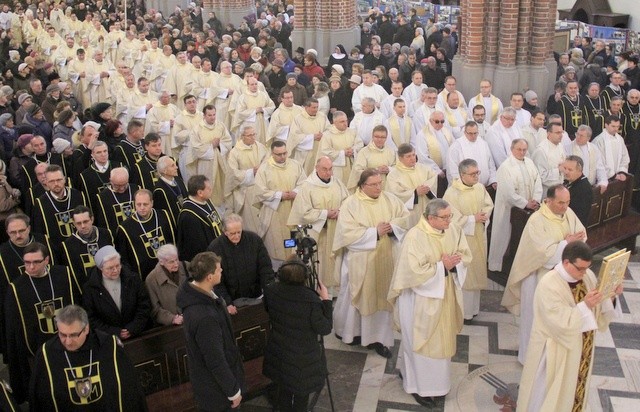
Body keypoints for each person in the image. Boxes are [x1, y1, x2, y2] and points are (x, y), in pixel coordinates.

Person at [517, 242, 622, 411]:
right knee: (548, 395)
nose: (584, 273)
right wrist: (585, 306)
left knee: (573, 389)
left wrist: (611, 296)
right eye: (580, 268)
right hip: (555, 351)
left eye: (587, 268)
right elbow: (558, 321)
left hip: (581, 349)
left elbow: (598, 308)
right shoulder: (549, 284)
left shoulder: (587, 277)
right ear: (566, 262)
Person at [388, 199, 472, 407]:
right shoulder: (415, 236)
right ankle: (418, 387)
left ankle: (438, 385)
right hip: (420, 299)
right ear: (430, 217)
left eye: (450, 216)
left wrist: (454, 264)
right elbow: (411, 271)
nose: (449, 221)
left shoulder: (453, 229)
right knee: (420, 342)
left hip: (445, 293)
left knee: (441, 340)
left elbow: (464, 253)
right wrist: (441, 267)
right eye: (444, 217)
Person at [502, 184, 586, 364]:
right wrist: (566, 243)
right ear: (548, 201)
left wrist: (574, 242)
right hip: (537, 278)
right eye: (561, 203)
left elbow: (582, 234)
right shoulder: (537, 220)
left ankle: (550, 359)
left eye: (567, 202)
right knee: (534, 321)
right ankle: (529, 358)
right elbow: (542, 254)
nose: (565, 207)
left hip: (561, 277)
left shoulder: (568, 214)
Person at [333, 169, 409, 358]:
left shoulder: (390, 199)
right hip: (361, 261)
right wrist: (373, 233)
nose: (378, 187)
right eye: (373, 185)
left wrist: (393, 227)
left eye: (379, 183)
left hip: (386, 258)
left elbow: (405, 217)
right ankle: (351, 334)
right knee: (358, 297)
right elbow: (346, 234)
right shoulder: (350, 204)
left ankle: (378, 339)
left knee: (382, 299)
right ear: (362, 186)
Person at [29, 305, 147, 411]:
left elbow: (130, 391)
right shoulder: (47, 354)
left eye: (74, 335)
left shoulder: (109, 346)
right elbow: (40, 400)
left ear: (86, 329)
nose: (68, 342)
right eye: (63, 335)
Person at [4, 242, 79, 403]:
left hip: (70, 343)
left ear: (47, 260)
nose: (30, 267)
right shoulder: (16, 288)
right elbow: (13, 330)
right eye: (27, 262)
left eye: (36, 262)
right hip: (38, 351)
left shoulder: (63, 274)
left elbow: (78, 306)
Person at [176, 251, 244, 412]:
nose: (222, 272)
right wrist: (233, 391)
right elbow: (215, 358)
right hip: (216, 390)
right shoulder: (205, 317)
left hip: (213, 382)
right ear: (209, 276)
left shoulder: (199, 295)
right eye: (219, 270)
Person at [262, 257, 333, 412]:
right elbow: (325, 328)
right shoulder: (311, 299)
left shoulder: (271, 290)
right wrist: (326, 300)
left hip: (279, 352)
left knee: (284, 391)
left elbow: (268, 309)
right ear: (305, 277)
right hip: (303, 358)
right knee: (301, 396)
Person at [443, 159, 494, 320]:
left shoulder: (479, 188)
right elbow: (451, 219)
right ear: (462, 174)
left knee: (477, 271)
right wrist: (473, 219)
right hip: (463, 239)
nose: (476, 177)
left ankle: (473, 309)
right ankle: (464, 312)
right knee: (466, 274)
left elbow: (488, 205)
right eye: (472, 174)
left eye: (477, 173)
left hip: (479, 234)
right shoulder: (452, 193)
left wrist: (484, 215)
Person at [287, 157, 349, 288]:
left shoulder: (337, 183)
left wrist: (340, 211)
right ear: (316, 168)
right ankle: (316, 290)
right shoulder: (307, 186)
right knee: (318, 263)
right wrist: (326, 214)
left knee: (334, 262)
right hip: (316, 233)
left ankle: (332, 293)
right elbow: (304, 212)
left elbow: (347, 202)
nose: (328, 172)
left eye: (330, 169)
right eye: (324, 169)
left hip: (334, 231)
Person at [488, 139, 543, 272]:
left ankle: (522, 265)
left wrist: (535, 200)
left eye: (524, 150)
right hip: (509, 210)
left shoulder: (529, 162)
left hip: (528, 210)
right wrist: (525, 203)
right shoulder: (505, 167)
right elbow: (508, 193)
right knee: (505, 237)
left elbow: (537, 182)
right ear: (512, 150)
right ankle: (500, 267)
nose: (522, 152)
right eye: (519, 149)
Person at [207, 214, 274, 314]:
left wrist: (269, 293)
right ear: (225, 232)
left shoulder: (254, 240)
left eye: (239, 232)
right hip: (232, 301)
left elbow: (265, 269)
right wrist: (227, 302)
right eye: (232, 233)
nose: (237, 236)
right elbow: (216, 280)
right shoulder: (215, 247)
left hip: (256, 295)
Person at [82, 245, 151, 341]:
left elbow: (144, 305)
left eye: (117, 265)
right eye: (110, 268)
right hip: (108, 340)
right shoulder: (91, 288)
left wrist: (132, 328)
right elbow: (91, 318)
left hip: (137, 334)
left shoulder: (132, 279)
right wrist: (115, 332)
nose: (115, 270)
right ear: (100, 268)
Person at [254, 141, 306, 267]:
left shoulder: (295, 165)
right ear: (272, 153)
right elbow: (260, 191)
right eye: (279, 154)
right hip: (274, 212)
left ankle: (295, 267)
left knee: (293, 241)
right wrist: (280, 195)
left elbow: (304, 184)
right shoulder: (264, 168)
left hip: (293, 209)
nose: (283, 157)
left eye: (284, 153)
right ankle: (278, 271)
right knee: (277, 244)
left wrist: (295, 192)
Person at [115, 189, 175, 279]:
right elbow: (124, 259)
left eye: (145, 204)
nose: (142, 208)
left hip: (170, 269)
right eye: (138, 204)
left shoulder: (164, 216)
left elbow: (174, 240)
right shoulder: (125, 228)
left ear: (152, 203)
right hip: (145, 276)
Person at [386, 143, 438, 228]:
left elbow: (433, 178)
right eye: (408, 156)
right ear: (400, 158)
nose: (412, 158)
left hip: (426, 207)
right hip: (410, 213)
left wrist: (426, 188)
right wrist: (415, 193)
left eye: (413, 155)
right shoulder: (393, 175)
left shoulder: (424, 168)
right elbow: (395, 195)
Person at [62, 205, 114, 285]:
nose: (83, 226)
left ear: (92, 219)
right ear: (73, 223)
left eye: (85, 221)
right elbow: (75, 274)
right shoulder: (69, 245)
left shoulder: (106, 234)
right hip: (89, 288)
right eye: (78, 223)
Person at [177, 175, 224, 261]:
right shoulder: (189, 215)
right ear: (200, 193)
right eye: (208, 188)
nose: (211, 190)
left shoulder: (206, 201)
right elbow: (197, 246)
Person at [145, 243, 188, 326]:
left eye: (177, 259)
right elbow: (155, 309)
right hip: (171, 326)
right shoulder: (151, 279)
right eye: (171, 262)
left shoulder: (186, 267)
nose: (176, 264)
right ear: (161, 262)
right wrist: (172, 318)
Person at [532, 122, 567, 194]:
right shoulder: (541, 151)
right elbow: (540, 177)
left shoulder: (560, 146)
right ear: (548, 133)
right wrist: (558, 170)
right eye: (557, 133)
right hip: (547, 192)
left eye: (561, 132)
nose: (561, 135)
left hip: (560, 188)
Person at [592, 115, 630, 180]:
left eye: (618, 126)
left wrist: (622, 172)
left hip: (619, 176)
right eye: (613, 126)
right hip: (604, 178)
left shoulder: (620, 139)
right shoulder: (599, 140)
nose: (616, 129)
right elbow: (599, 161)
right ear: (606, 125)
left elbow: (625, 157)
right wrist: (612, 175)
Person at [563, 155, 593, 226]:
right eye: (565, 168)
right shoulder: (568, 181)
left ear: (579, 170)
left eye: (570, 170)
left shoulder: (584, 189)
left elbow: (578, 216)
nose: (566, 172)